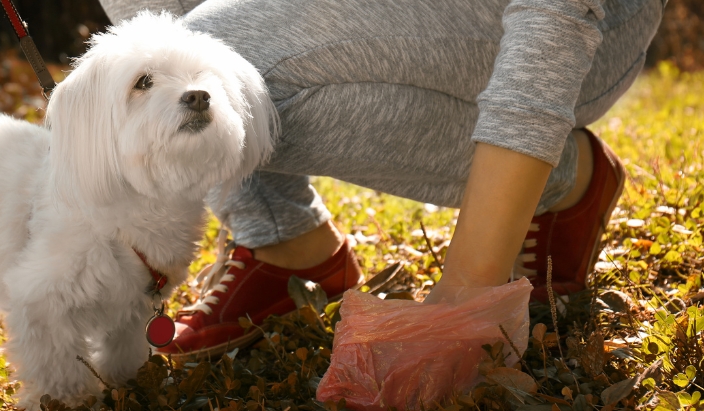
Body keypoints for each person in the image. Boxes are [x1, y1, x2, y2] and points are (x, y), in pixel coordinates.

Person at [97, 0, 663, 358]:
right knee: (194, 48)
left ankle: (566, 176)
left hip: (578, 19)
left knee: (224, 62)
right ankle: (286, 242)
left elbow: (556, 10)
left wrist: (470, 286)